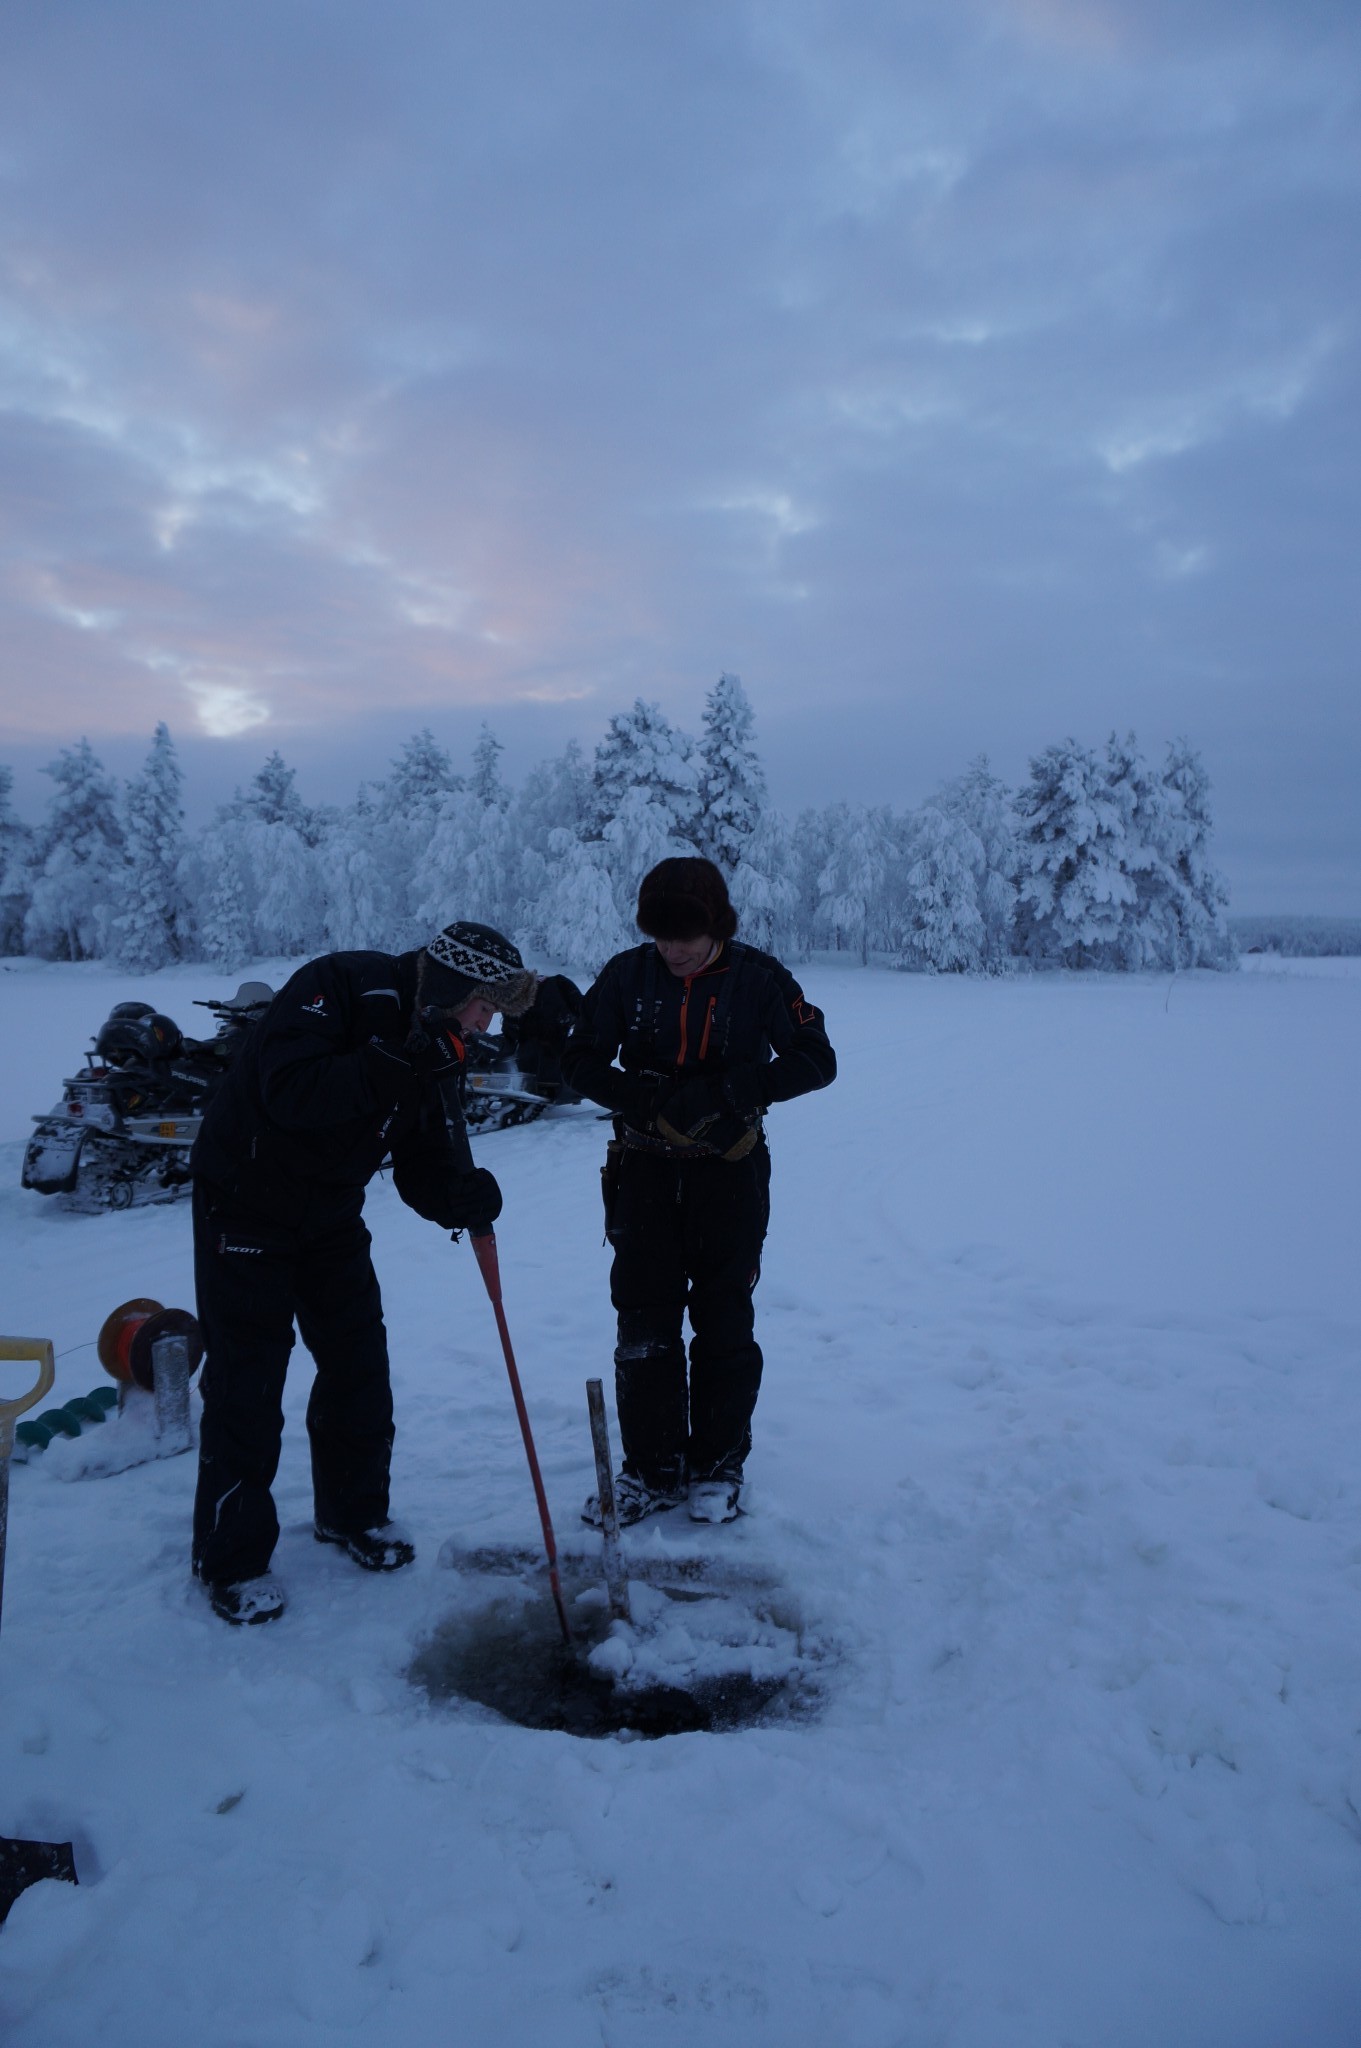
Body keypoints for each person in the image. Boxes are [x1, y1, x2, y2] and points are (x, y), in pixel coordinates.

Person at [189, 922, 538, 1624]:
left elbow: (422, 1160)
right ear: (450, 984)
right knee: (248, 1380)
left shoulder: (439, 1046)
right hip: (244, 1203)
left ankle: (352, 1515)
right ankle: (229, 1558)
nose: (486, 1020)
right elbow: (289, 1090)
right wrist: (396, 1058)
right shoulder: (343, 983)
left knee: (357, 1364)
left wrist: (456, 1196)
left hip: (330, 1214)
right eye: (483, 1003)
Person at [563, 857, 836, 1526]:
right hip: (643, 1174)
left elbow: (815, 1059)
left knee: (723, 1320)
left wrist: (728, 1091)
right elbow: (578, 1058)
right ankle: (650, 1469)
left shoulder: (759, 978)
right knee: (643, 1319)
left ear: (715, 925)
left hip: (730, 1173)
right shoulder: (626, 974)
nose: (673, 950)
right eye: (661, 936)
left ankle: (718, 1464)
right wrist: (640, 1094)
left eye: (686, 935)